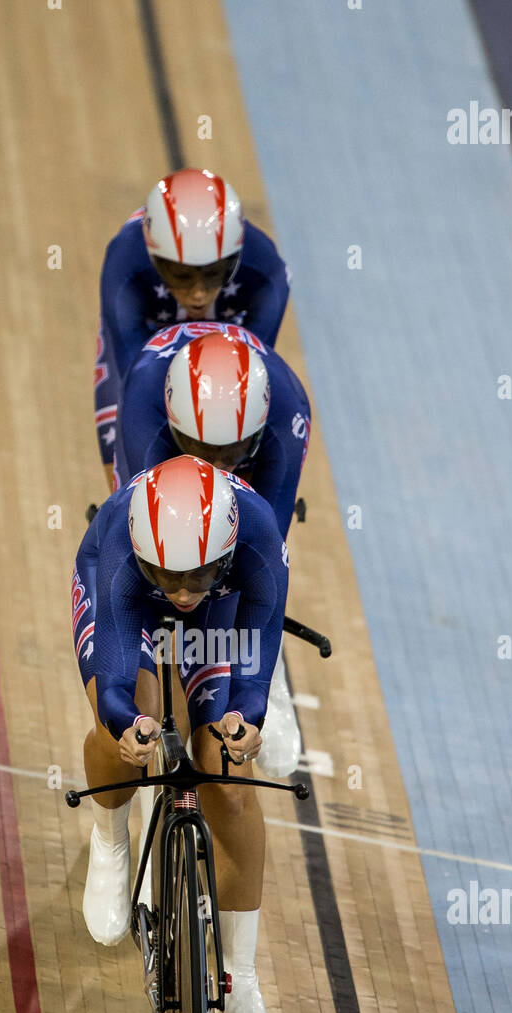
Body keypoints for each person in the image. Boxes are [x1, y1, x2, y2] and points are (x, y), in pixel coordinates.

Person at [71, 455, 290, 1013]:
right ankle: (112, 839)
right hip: (127, 605)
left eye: (196, 578)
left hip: (228, 617)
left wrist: (249, 718)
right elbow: (114, 675)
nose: (183, 593)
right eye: (169, 577)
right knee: (130, 733)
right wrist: (126, 722)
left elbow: (257, 650)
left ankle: (240, 977)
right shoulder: (122, 535)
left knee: (229, 778)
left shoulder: (258, 532)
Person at [118, 325, 311, 774]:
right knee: (163, 557)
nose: (216, 465)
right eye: (201, 448)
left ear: (256, 431)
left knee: (240, 563)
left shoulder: (286, 412)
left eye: (231, 451)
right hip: (163, 469)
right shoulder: (145, 398)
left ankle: (271, 664)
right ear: (174, 422)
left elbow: (263, 547)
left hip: (256, 476)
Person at [94, 169, 290, 492]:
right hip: (147, 343)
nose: (198, 294)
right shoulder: (124, 262)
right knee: (129, 482)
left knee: (232, 438)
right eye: (181, 274)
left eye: (213, 273)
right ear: (155, 258)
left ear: (234, 258)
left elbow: (253, 372)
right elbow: (134, 383)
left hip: (225, 347)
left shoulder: (268, 271)